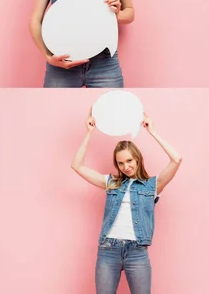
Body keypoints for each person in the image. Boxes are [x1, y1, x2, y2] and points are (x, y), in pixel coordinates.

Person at [71, 112, 182, 293]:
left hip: (137, 252)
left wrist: (152, 132)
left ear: (138, 159)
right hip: (108, 250)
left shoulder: (153, 185)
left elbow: (176, 159)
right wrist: (88, 133)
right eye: (120, 163)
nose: (126, 166)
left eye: (129, 160)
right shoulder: (112, 183)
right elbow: (77, 166)